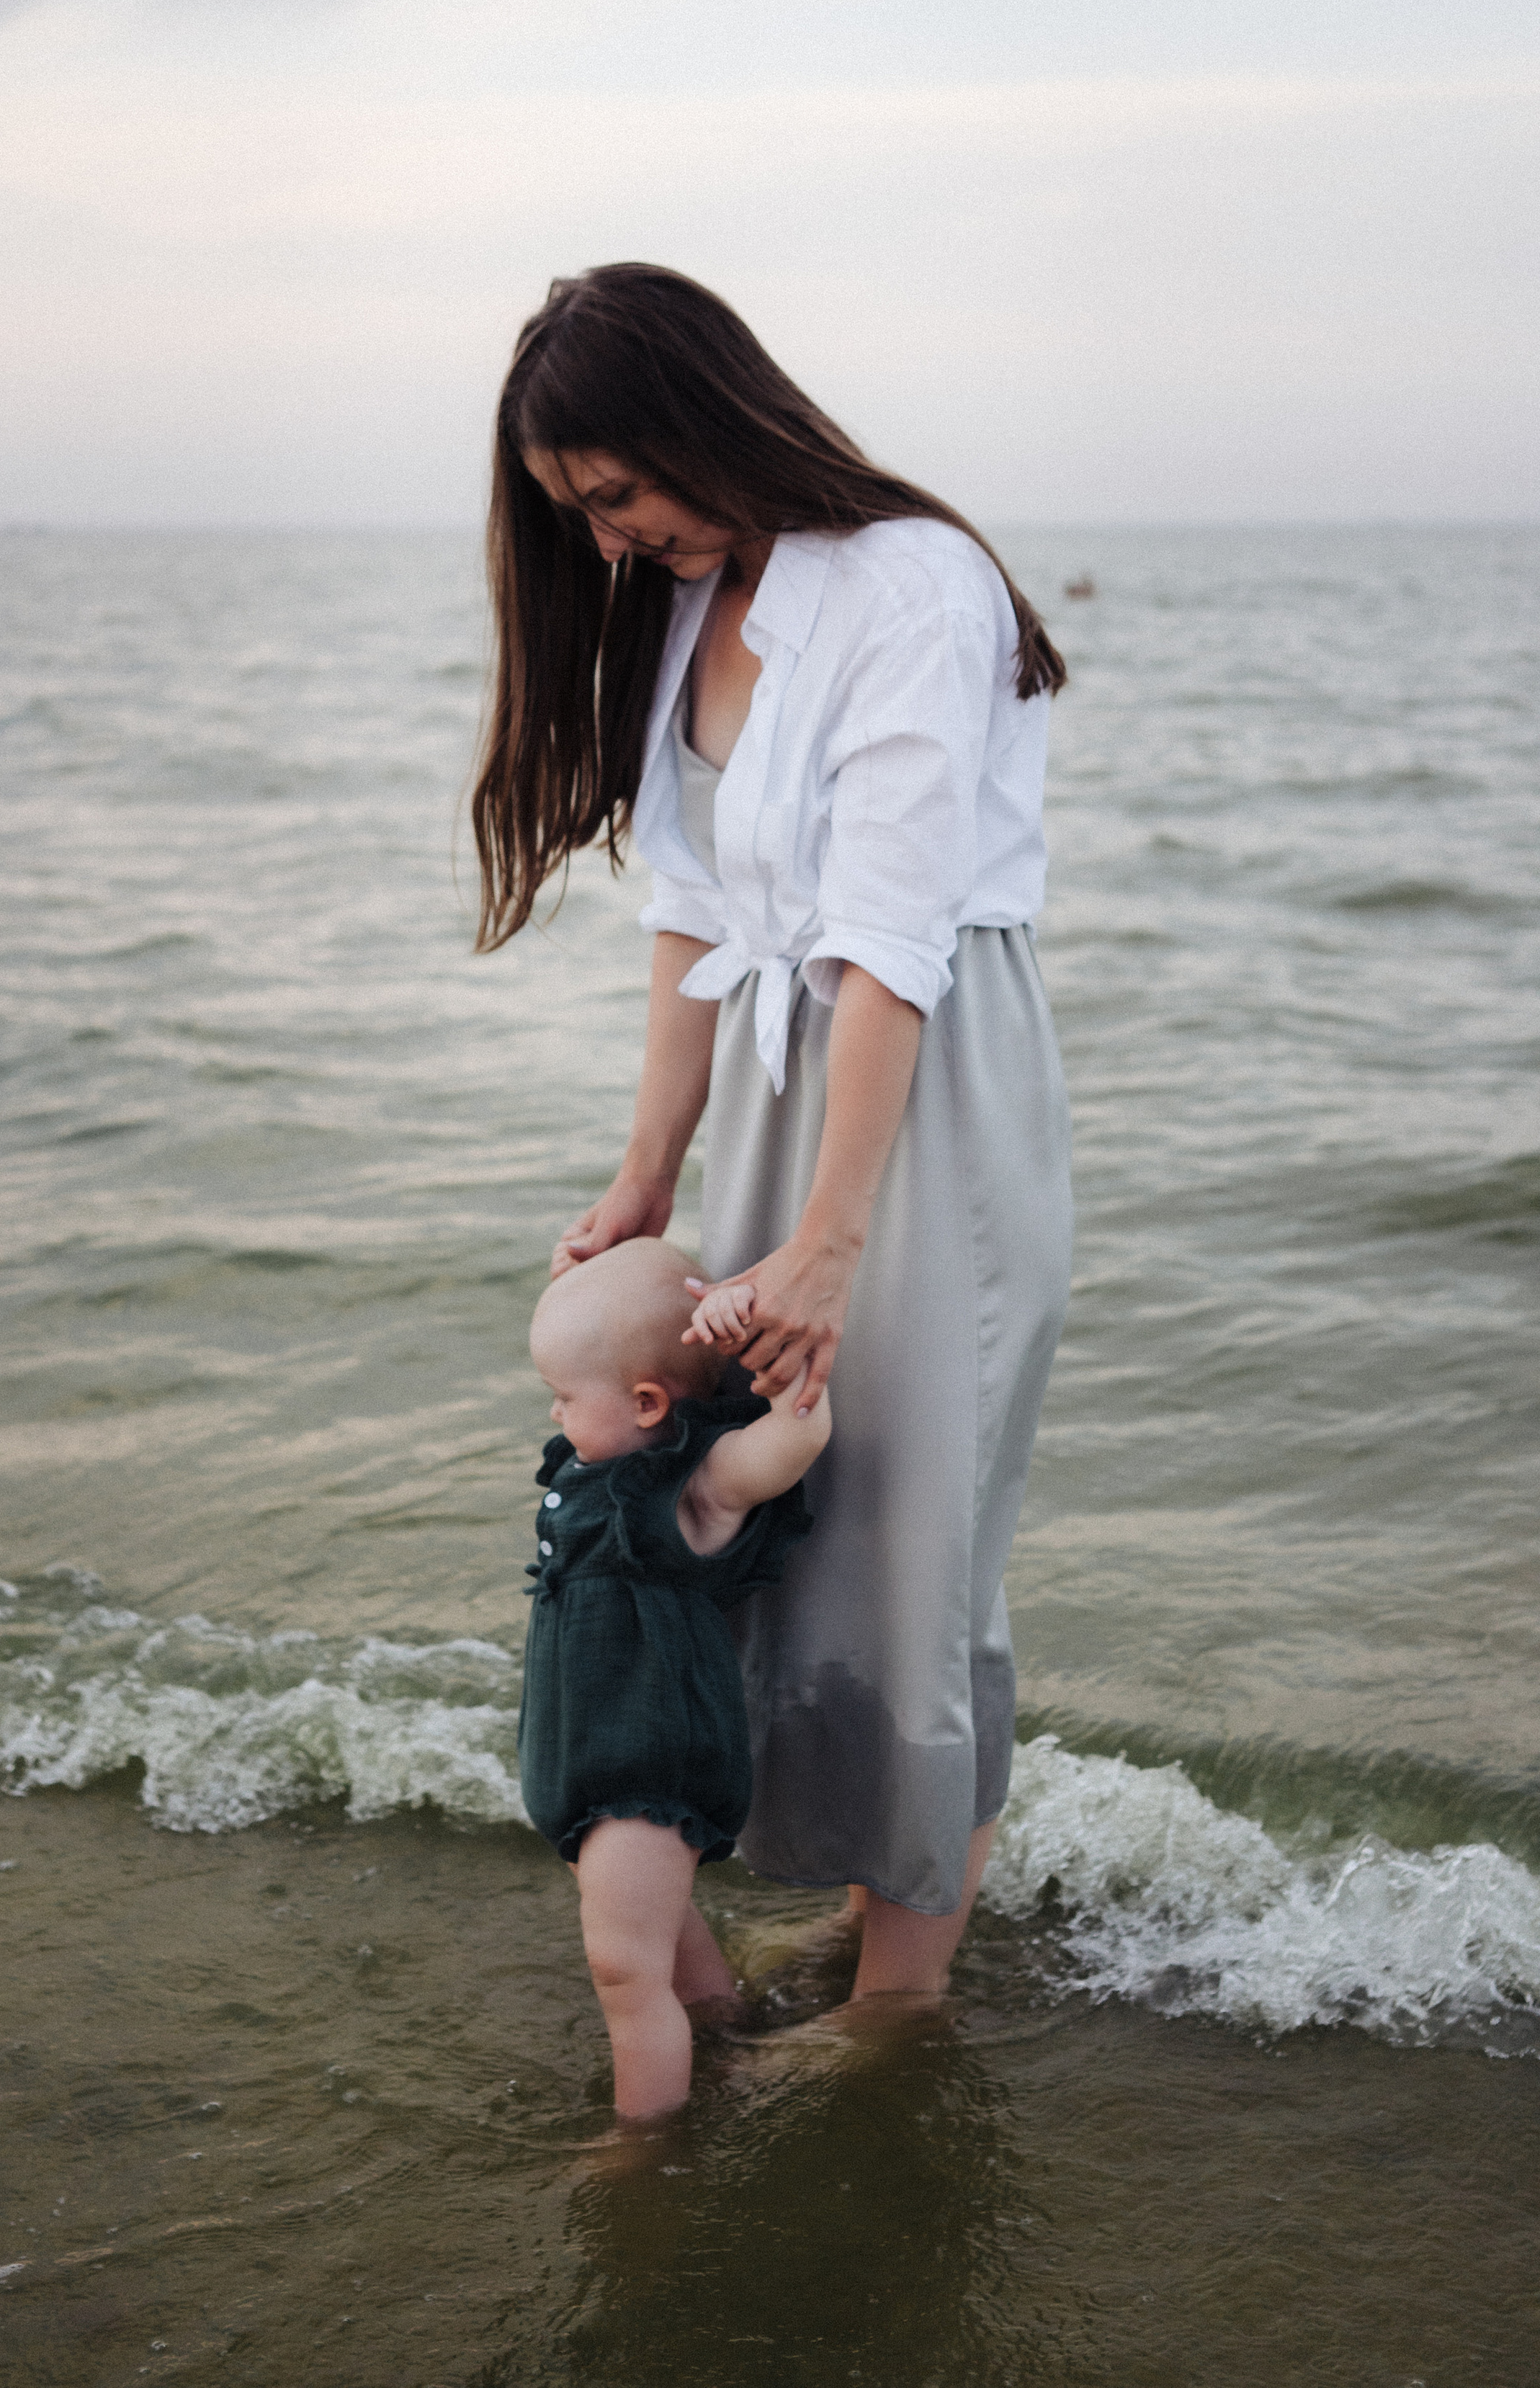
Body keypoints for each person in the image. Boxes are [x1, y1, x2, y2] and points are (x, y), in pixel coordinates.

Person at [473, 262, 1073, 2008]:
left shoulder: (910, 582)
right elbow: (686, 909)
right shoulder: (694, 593)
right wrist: (652, 1168)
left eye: (613, 494)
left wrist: (827, 1236)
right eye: (573, 514)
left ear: (697, 419)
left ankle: (899, 1999)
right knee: (762, 1525)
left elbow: (886, 942)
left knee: (911, 1530)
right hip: (772, 1084)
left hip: (923, 1099)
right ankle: (885, 1886)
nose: (603, 540)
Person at [520, 1237, 827, 2117]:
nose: (554, 1411)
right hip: (589, 1755)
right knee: (666, 1935)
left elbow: (795, 1436)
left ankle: (645, 2144)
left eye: (565, 1396)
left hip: (646, 1766)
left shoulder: (692, 1490)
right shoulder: (597, 1468)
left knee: (624, 1969)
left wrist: (785, 1364)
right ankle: (727, 2043)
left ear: (648, 1402)